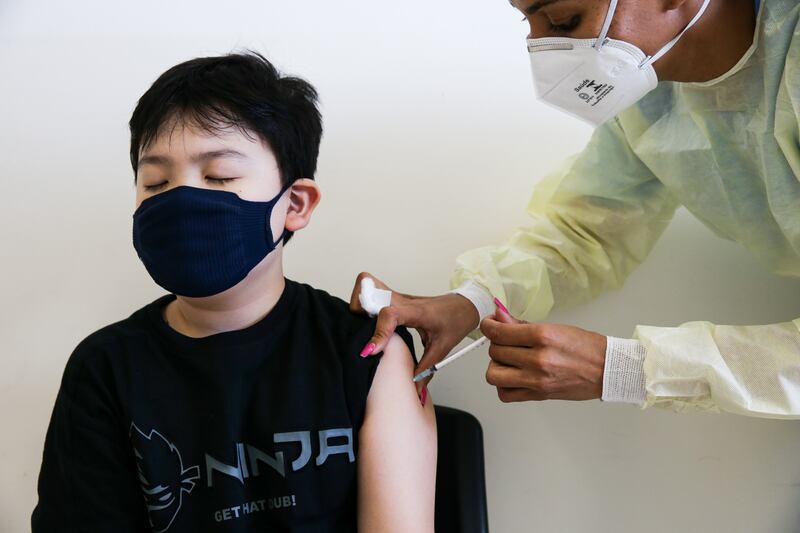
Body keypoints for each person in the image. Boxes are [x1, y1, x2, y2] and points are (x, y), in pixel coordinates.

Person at [32, 52, 436, 532]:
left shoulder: (367, 350)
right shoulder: (104, 369)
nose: (182, 199)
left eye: (219, 176)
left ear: (295, 203)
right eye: (156, 182)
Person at [352, 0, 800, 418]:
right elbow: (587, 233)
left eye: (563, 21)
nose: (541, 47)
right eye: (526, 21)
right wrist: (474, 300)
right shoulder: (652, 103)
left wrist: (626, 367)